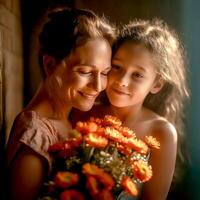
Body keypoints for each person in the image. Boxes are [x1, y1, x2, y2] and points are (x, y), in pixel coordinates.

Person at [71, 18, 189, 200]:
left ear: (156, 84)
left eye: (137, 75)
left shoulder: (162, 133)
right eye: (117, 67)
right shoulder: (83, 112)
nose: (122, 81)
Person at [6, 8, 115, 200]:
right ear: (50, 65)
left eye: (104, 72)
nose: (98, 86)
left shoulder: (71, 116)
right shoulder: (34, 137)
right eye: (85, 71)